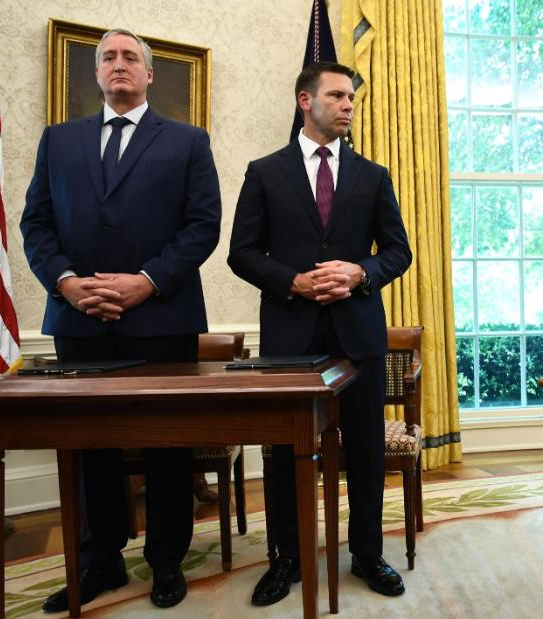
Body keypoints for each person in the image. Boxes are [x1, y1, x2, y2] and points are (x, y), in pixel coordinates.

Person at [20, 28, 221, 611]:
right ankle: (99, 562)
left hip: (161, 317)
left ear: (149, 75)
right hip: (79, 319)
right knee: (89, 448)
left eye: (130, 57)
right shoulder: (58, 141)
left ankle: (165, 562)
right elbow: (36, 224)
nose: (118, 65)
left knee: (166, 447)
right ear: (96, 74)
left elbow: (202, 226)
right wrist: (66, 282)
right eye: (107, 57)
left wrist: (146, 282)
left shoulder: (187, 141)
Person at [228, 61, 412, 606]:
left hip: (359, 337)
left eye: (351, 97)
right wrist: (294, 282)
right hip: (290, 339)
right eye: (337, 95)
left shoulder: (373, 176)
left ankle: (368, 554)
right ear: (304, 101)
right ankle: (287, 556)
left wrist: (361, 273)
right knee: (287, 455)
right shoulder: (264, 172)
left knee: (365, 451)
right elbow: (241, 253)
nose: (349, 104)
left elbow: (397, 252)